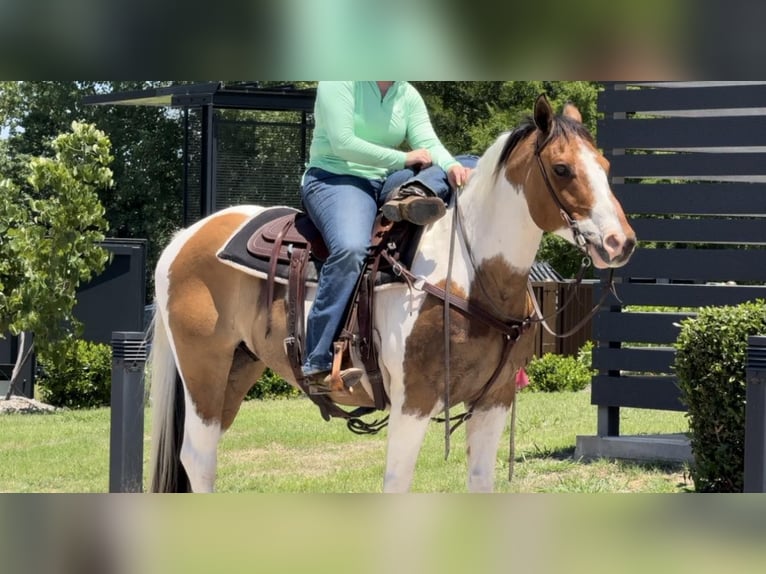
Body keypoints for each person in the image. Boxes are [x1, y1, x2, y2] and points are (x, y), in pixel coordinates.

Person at [300, 81, 473, 392]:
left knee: (469, 160)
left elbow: (428, 142)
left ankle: (413, 195)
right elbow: (343, 143)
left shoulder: (406, 94)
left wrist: (452, 166)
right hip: (336, 177)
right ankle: (316, 359)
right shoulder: (337, 82)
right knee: (352, 249)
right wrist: (404, 159)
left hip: (385, 180)